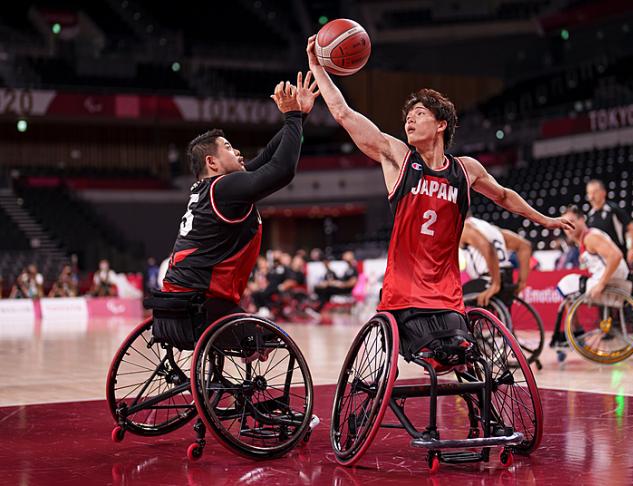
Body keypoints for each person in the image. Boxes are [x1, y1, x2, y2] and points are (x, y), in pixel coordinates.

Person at [306, 37, 572, 368]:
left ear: (441, 124)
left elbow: (504, 195)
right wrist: (319, 68)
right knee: (435, 355)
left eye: (419, 114)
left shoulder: (465, 169)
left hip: (447, 293)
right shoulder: (399, 157)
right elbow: (344, 114)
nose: (409, 121)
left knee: (466, 357)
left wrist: (543, 219)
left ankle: (488, 418)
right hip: (404, 292)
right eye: (408, 117)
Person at [162, 73, 319, 328]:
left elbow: (269, 156)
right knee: (265, 336)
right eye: (227, 147)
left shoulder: (209, 189)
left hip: (176, 298)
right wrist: (291, 117)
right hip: (205, 301)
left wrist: (299, 117)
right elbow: (282, 170)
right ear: (211, 162)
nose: (236, 151)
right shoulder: (226, 187)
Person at [556, 206, 630, 301]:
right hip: (610, 278)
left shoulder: (590, 237)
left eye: (571, 221)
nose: (568, 227)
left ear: (582, 220)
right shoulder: (585, 240)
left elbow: (616, 256)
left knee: (565, 284)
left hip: (613, 281)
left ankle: (570, 315)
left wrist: (601, 284)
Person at [459, 215, 532, 306]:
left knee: (455, 298)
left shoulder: (465, 227)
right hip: (507, 278)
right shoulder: (490, 228)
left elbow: (488, 248)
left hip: (489, 279)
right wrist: (521, 282)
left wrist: (495, 283)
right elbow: (525, 246)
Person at [586, 179, 633, 266]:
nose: (591, 197)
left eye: (594, 192)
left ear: (603, 193)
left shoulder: (614, 210)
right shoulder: (589, 216)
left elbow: (632, 228)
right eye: (589, 193)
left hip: (620, 258)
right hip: (600, 262)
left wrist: (632, 249)